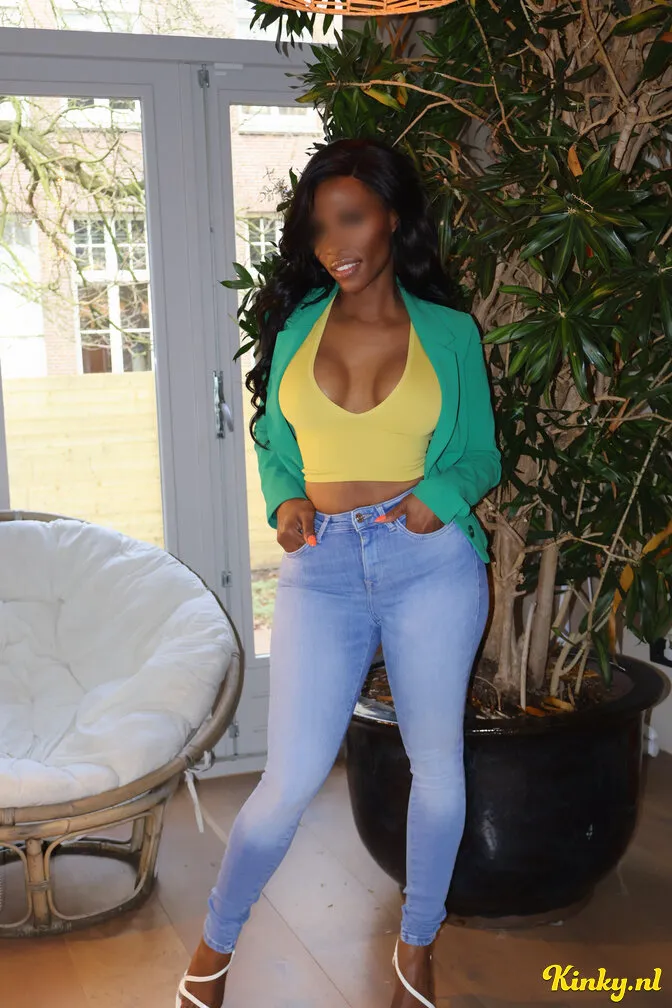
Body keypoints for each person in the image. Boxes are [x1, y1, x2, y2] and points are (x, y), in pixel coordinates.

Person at [177, 137, 501, 1008]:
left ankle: (417, 947)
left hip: (428, 564)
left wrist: (439, 496)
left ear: (393, 216)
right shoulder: (297, 326)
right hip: (320, 570)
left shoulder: (449, 333)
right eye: (319, 227)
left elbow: (480, 453)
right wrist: (286, 500)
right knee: (286, 784)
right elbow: (274, 442)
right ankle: (213, 947)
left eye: (350, 219)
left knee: (437, 768)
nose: (333, 245)